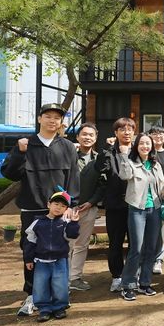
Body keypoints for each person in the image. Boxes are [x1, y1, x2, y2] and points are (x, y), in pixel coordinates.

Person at [1, 102, 80, 317]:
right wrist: (19, 153)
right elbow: (9, 173)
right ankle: (32, 295)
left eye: (57, 117)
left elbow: (73, 178)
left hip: (60, 210)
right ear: (39, 119)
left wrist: (71, 205)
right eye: (48, 116)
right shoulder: (27, 144)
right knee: (31, 251)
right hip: (32, 209)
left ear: (61, 122)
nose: (52, 120)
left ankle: (59, 295)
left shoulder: (67, 146)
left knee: (60, 251)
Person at [118, 133, 164, 301]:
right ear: (136, 146)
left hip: (155, 209)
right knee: (136, 248)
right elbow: (124, 175)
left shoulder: (156, 164)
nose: (145, 146)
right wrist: (124, 155)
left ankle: (145, 283)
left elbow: (162, 186)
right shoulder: (131, 162)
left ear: (152, 146)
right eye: (142, 144)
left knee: (151, 248)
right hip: (137, 209)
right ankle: (128, 285)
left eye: (148, 143)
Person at [24, 190, 80, 322]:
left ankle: (59, 307)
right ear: (49, 204)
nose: (58, 208)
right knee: (40, 286)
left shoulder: (65, 223)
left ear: (66, 209)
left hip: (59, 260)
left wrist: (73, 223)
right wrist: (28, 259)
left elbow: (72, 235)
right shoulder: (38, 222)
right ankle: (44, 309)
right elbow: (30, 241)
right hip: (41, 262)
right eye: (56, 204)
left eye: (63, 206)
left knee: (60, 285)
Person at [95, 117, 136, 293]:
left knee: (135, 243)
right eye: (122, 129)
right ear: (115, 133)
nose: (126, 132)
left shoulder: (138, 151)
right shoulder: (109, 151)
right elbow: (100, 168)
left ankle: (132, 275)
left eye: (129, 129)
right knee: (115, 243)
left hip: (136, 205)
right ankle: (117, 276)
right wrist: (107, 148)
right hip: (115, 205)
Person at [68, 123, 105, 292]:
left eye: (91, 135)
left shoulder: (99, 159)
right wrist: (68, 204)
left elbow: (102, 184)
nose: (87, 137)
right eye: (84, 134)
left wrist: (91, 202)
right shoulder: (69, 156)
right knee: (66, 245)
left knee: (82, 245)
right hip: (69, 209)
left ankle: (75, 278)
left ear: (95, 138)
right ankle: (62, 279)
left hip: (89, 208)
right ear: (77, 137)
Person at [149, 125, 164, 275]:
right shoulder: (147, 153)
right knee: (151, 229)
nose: (158, 137)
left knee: (163, 229)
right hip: (150, 196)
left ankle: (158, 259)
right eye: (155, 134)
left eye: (161, 134)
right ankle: (148, 259)